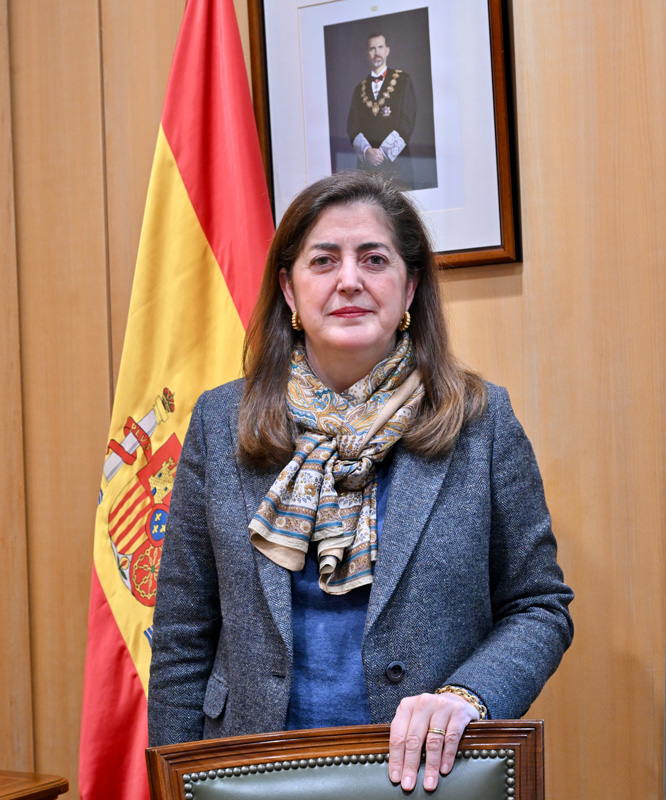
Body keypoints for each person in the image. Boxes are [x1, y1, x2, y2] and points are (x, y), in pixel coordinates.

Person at [147, 172, 573, 792]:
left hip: (429, 776)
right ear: (289, 290)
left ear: (410, 288)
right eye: (324, 260)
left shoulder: (481, 421)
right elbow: (183, 635)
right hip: (250, 773)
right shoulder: (219, 423)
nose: (349, 279)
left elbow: (539, 606)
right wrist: (177, 783)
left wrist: (468, 695)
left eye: (374, 259)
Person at [347, 33, 417, 189]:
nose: (376, 52)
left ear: (387, 50)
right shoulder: (359, 89)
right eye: (372, 49)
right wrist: (367, 151)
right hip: (368, 167)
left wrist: (383, 152)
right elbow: (352, 126)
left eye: (380, 47)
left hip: (398, 162)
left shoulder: (403, 80)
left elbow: (408, 118)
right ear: (367, 54)